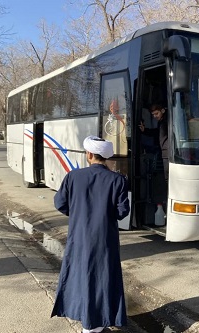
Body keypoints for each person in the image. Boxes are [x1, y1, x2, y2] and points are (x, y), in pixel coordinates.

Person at [51, 135, 130, 333]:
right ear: (105, 158)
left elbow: (60, 203)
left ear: (89, 154)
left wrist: (78, 213)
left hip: (79, 237)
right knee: (103, 278)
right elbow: (122, 212)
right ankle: (97, 323)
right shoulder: (118, 180)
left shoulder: (73, 176)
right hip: (105, 239)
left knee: (81, 276)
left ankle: (86, 320)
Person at [139, 103, 169, 180]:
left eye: (156, 113)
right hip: (164, 151)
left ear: (162, 110)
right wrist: (145, 130)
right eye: (153, 114)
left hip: (167, 151)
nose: (155, 116)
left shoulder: (168, 121)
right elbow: (156, 133)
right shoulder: (161, 121)